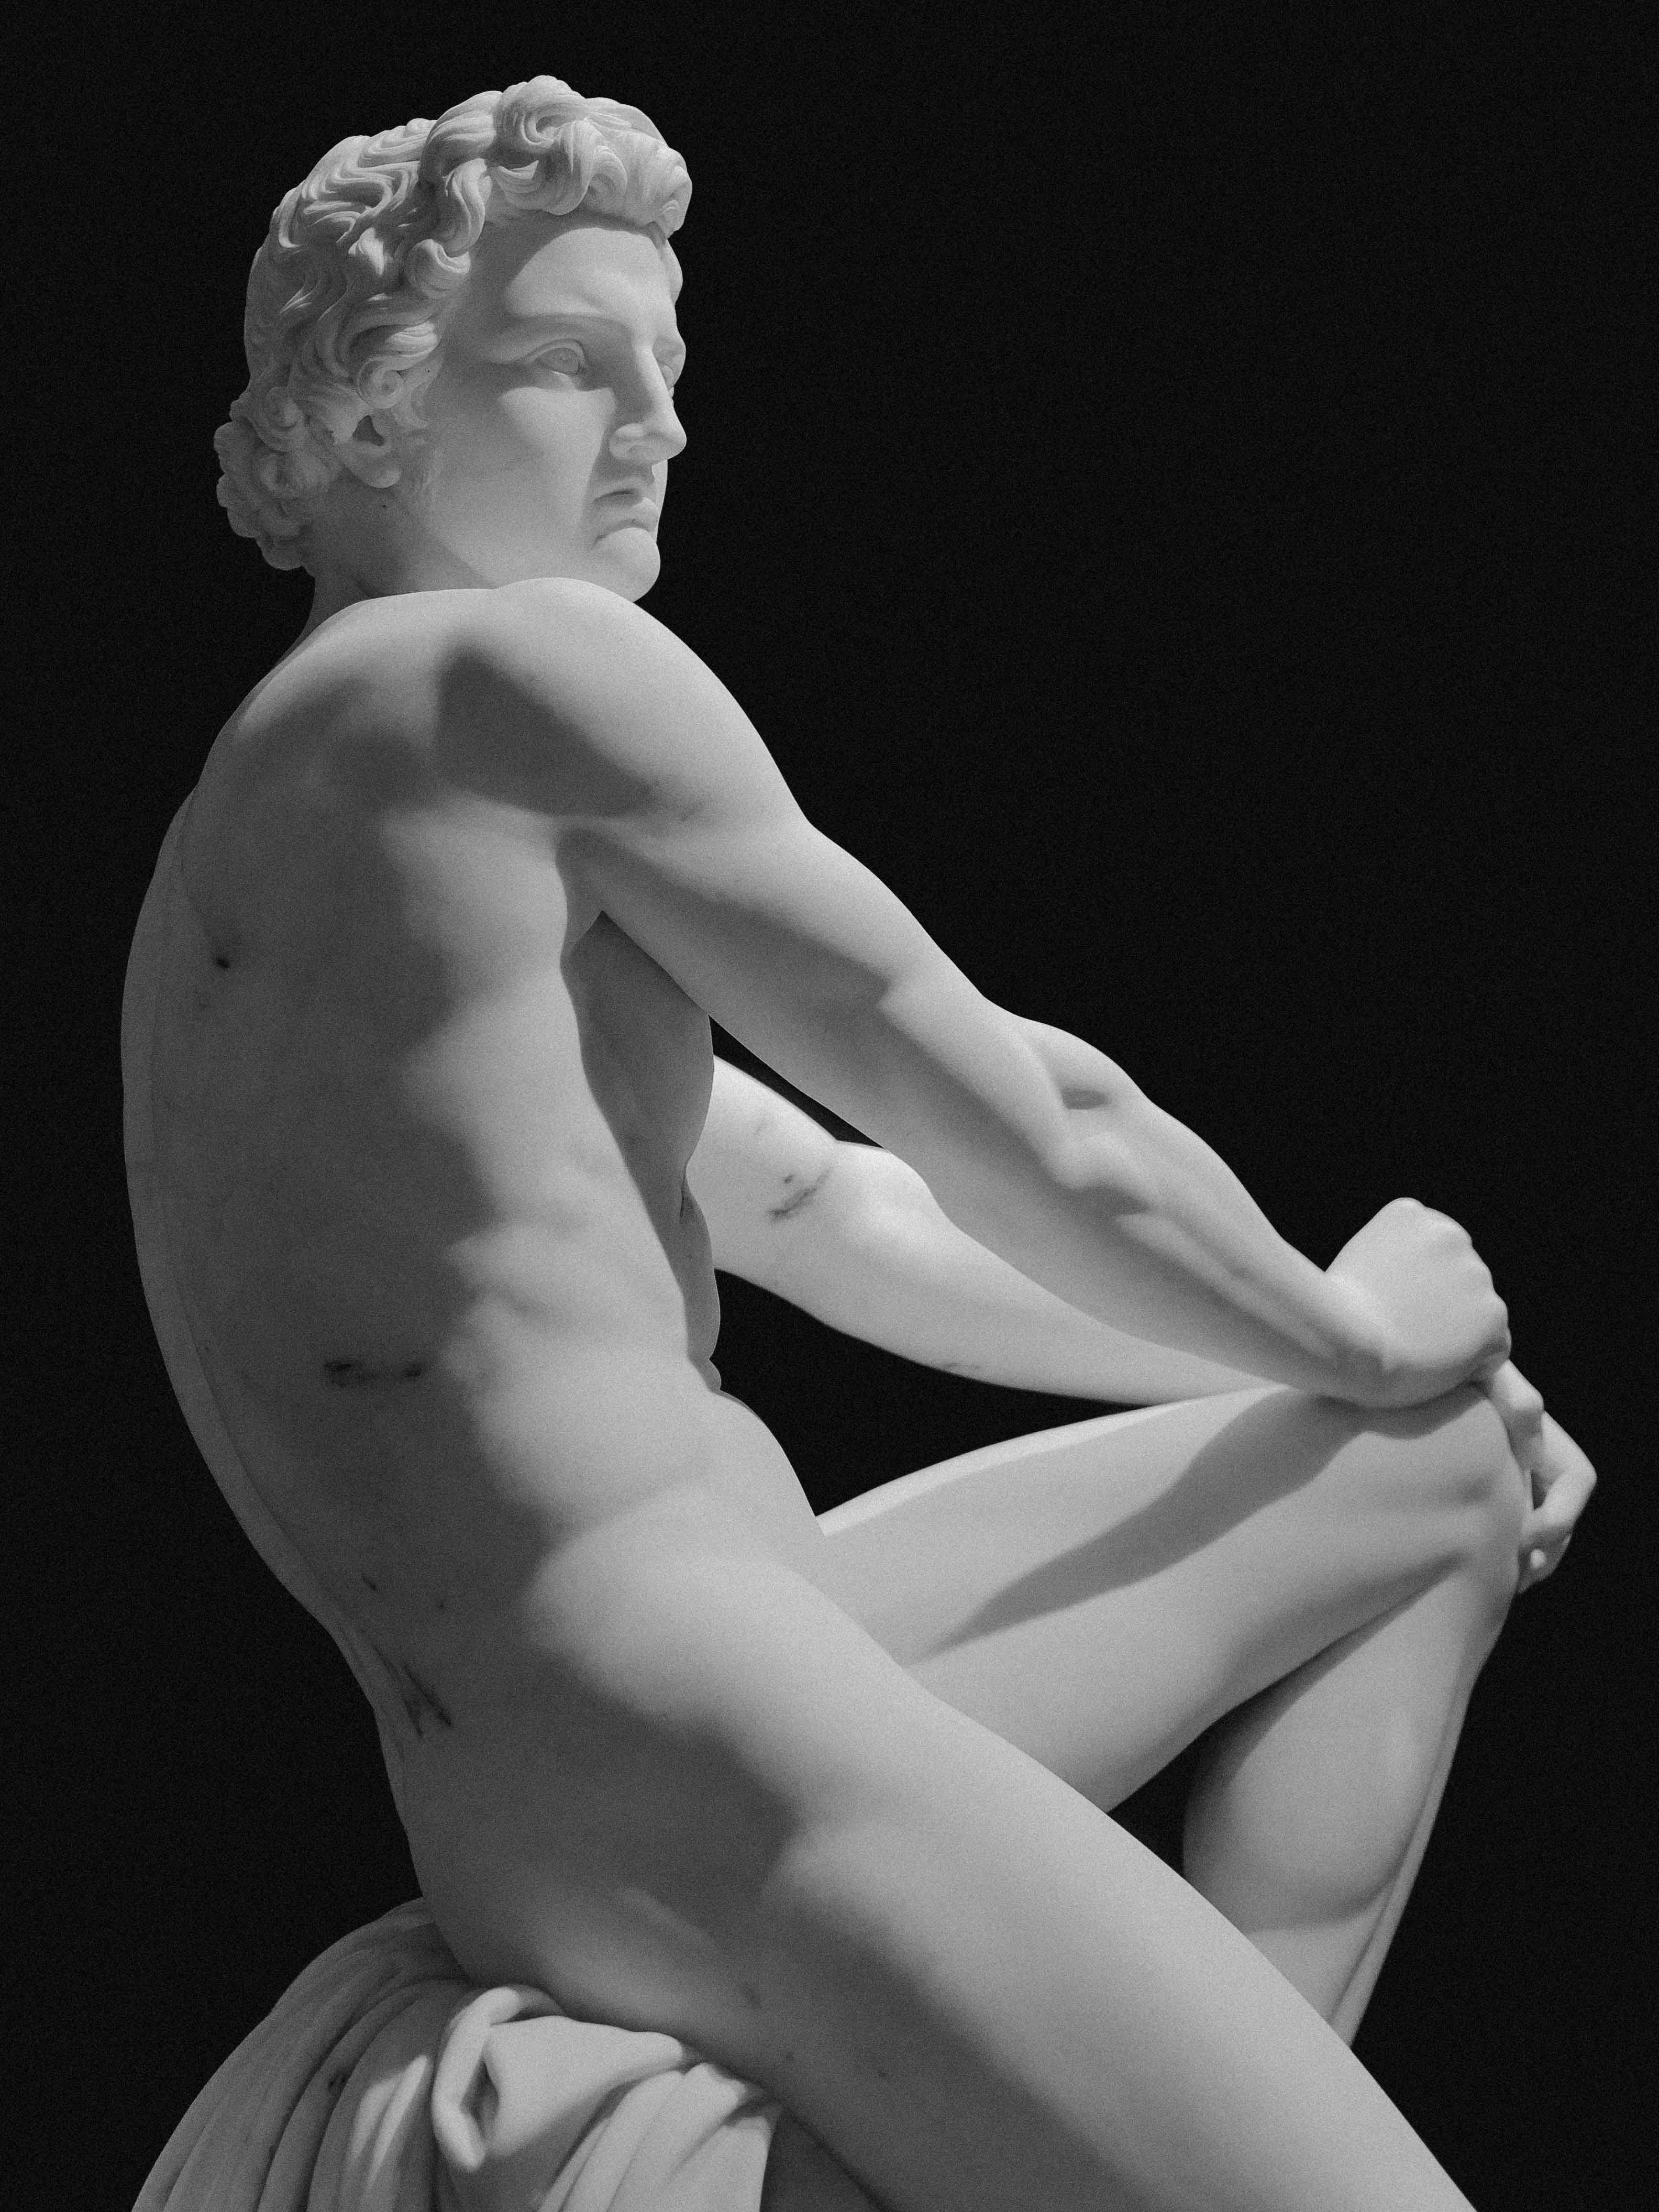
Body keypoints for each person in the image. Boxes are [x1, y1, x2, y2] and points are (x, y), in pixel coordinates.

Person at [127, 75, 1596, 2211]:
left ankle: (1130, 2109)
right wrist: (1350, 1321)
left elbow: (843, 1213)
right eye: (569, 368)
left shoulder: (270, 887)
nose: (655, 426)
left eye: (668, 371)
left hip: (623, 1746)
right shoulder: (503, 677)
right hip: (709, 1749)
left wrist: (1350, 1383)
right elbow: (1002, 1104)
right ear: (369, 418)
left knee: (1437, 1473)